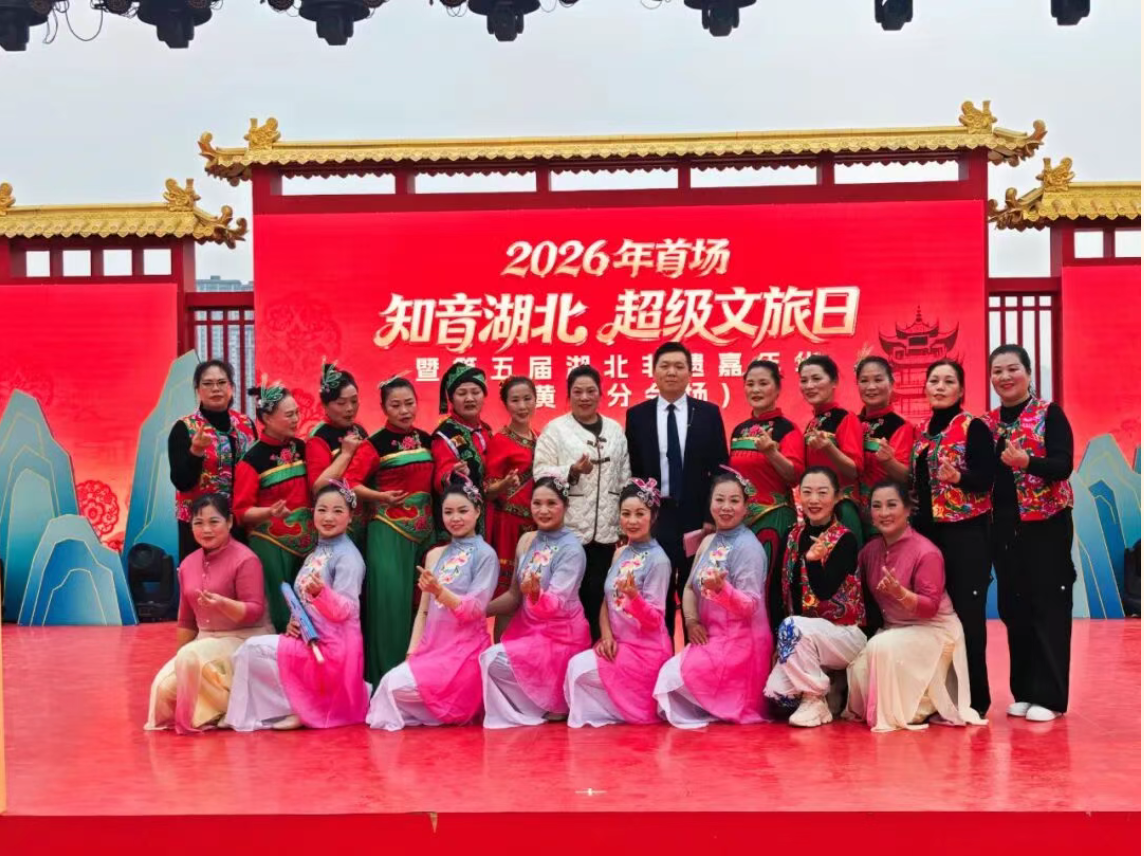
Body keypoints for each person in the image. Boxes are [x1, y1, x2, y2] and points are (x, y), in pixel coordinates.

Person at [226, 482, 368, 731]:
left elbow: (346, 610)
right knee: (249, 652)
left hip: (333, 648)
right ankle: (294, 707)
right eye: (322, 510)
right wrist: (298, 621)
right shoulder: (317, 553)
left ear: (350, 517)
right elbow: (307, 601)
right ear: (312, 513)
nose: (328, 517)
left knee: (251, 650)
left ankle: (301, 709)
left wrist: (321, 593)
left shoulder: (348, 557)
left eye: (337, 511)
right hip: (311, 638)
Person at [845, 481, 986, 732]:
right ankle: (908, 704)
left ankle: (920, 707)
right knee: (858, 669)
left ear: (908, 509)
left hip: (935, 631)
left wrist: (901, 594)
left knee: (880, 646)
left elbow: (930, 608)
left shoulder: (926, 552)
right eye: (877, 506)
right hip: (895, 631)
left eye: (892, 505)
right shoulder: (870, 551)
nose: (884, 513)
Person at [985, 344, 1076, 722]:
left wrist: (1027, 462)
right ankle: (1024, 691)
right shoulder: (987, 423)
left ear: (1028, 373)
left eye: (1013, 369)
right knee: (1014, 607)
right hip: (1004, 527)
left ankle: (1050, 697)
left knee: (1048, 606)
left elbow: (1063, 465)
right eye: (998, 371)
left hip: (1047, 524)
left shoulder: (1049, 413)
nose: (1005, 377)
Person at [366, 482, 499, 730]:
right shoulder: (435, 555)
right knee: (389, 686)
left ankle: (453, 707)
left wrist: (440, 591)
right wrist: (411, 655)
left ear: (478, 511)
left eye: (463, 511)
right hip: (431, 652)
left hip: (464, 656)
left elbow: (474, 610)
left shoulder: (486, 555)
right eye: (448, 512)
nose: (455, 518)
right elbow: (424, 612)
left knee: (391, 690)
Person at [626, 342, 729, 639]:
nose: (671, 372)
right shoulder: (638, 416)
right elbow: (634, 472)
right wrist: (637, 519)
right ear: (654, 372)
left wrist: (712, 515)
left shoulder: (707, 413)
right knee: (655, 591)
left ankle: (694, 659)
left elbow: (720, 469)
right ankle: (659, 654)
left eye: (679, 366)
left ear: (690, 373)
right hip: (656, 519)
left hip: (697, 518)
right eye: (665, 366)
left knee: (696, 590)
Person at [910, 358, 995, 717]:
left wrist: (959, 478)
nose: (940, 387)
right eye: (934, 381)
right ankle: (937, 698)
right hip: (928, 537)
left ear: (961, 390)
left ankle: (974, 701)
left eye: (948, 381)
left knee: (968, 616)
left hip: (967, 535)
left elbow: (987, 478)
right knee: (932, 616)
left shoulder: (973, 427)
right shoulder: (922, 433)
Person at [653, 471, 771, 728]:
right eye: (720, 500)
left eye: (734, 501)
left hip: (742, 644)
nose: (726, 507)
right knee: (666, 683)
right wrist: (691, 621)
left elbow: (750, 606)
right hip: (712, 639)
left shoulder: (749, 547)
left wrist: (722, 590)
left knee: (669, 681)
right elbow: (689, 587)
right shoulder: (708, 541)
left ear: (746, 507)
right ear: (710, 504)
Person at [145, 494, 271, 734]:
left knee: (191, 657)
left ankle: (235, 710)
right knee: (163, 690)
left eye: (214, 522)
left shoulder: (246, 559)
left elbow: (255, 612)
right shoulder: (188, 564)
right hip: (203, 642)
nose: (206, 530)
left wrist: (224, 605)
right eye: (198, 523)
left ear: (230, 522)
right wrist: (179, 658)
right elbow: (186, 620)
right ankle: (221, 710)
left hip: (244, 638)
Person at [764, 467, 876, 727]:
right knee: (778, 697)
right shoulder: (791, 535)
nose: (814, 500)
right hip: (802, 635)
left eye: (822, 493)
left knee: (793, 626)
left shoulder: (845, 539)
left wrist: (814, 561)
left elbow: (825, 591)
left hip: (845, 634)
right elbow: (776, 591)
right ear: (799, 496)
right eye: (807, 492)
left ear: (837, 497)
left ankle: (815, 699)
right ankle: (830, 685)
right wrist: (780, 642)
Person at [481, 477, 589, 728]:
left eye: (551, 503)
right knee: (489, 660)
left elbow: (555, 605)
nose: (543, 510)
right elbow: (513, 596)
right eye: (537, 503)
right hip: (530, 633)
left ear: (565, 506)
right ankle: (538, 704)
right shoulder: (528, 541)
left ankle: (546, 701)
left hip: (560, 638)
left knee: (492, 659)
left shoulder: (572, 550)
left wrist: (536, 593)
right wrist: (478, 610)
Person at [565, 479, 673, 727]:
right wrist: (606, 636)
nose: (632, 521)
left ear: (653, 517)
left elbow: (655, 620)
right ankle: (616, 707)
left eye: (640, 514)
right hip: (619, 645)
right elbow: (607, 601)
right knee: (575, 668)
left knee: (579, 670)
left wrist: (634, 598)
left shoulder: (659, 561)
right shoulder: (620, 552)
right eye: (626, 514)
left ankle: (629, 706)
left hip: (646, 651)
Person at [533, 366, 630, 641]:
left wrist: (623, 524)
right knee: (566, 596)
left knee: (600, 596)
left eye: (591, 391)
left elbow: (624, 477)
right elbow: (540, 472)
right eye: (577, 392)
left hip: (606, 532)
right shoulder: (555, 430)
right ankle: (566, 650)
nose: (584, 397)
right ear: (568, 395)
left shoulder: (615, 430)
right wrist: (572, 471)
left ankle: (595, 653)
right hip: (568, 531)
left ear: (601, 394)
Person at [356, 377, 435, 687]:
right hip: (388, 532)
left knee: (423, 607)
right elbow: (347, 483)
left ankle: (418, 680)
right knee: (389, 608)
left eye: (409, 403)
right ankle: (385, 682)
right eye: (396, 405)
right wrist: (379, 497)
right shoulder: (374, 444)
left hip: (425, 534)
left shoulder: (426, 439)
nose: (404, 411)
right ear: (383, 408)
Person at [232, 381, 315, 632]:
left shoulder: (300, 448)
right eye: (289, 414)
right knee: (283, 611)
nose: (296, 419)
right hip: (272, 544)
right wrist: (269, 512)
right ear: (267, 418)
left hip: (307, 541)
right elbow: (241, 512)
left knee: (313, 607)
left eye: (297, 413)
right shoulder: (251, 461)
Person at [728, 359, 804, 629]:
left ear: (778, 388)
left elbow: (794, 476)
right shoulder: (739, 430)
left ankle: (775, 642)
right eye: (750, 384)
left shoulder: (787, 429)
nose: (756, 390)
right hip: (740, 522)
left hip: (775, 519)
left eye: (763, 383)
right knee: (741, 586)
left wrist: (772, 452)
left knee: (771, 587)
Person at [168, 359, 258, 561]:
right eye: (207, 384)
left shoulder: (246, 424)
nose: (215, 389)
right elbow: (181, 481)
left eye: (221, 382)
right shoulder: (184, 428)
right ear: (198, 390)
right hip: (201, 524)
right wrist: (196, 451)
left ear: (232, 388)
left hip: (239, 521)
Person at [484, 376, 538, 639]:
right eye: (515, 400)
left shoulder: (541, 438)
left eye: (527, 399)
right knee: (508, 595)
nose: (522, 406)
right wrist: (504, 484)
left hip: (536, 525)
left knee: (532, 594)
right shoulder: (500, 440)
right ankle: (500, 652)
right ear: (505, 404)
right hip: (509, 525)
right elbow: (488, 489)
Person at [798, 355, 865, 546]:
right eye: (804, 380)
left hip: (841, 508)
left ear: (834, 382)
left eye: (816, 379)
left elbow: (854, 470)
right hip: (816, 510)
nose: (809, 385)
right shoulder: (812, 423)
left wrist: (829, 448)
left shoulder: (846, 418)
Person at [304, 361, 372, 545]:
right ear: (325, 405)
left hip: (362, 519)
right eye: (341, 403)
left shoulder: (359, 430)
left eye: (354, 401)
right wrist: (345, 454)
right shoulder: (318, 438)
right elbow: (318, 487)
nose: (350, 408)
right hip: (336, 525)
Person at [431, 362, 493, 542]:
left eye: (476, 392)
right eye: (462, 393)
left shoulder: (486, 430)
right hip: (461, 521)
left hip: (489, 516)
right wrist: (454, 474)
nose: (470, 398)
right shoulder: (444, 435)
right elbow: (441, 475)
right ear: (451, 398)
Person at [855, 356, 915, 536]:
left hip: (883, 516)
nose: (871, 387)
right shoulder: (852, 422)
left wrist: (888, 461)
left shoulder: (901, 426)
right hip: (852, 512)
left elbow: (907, 477)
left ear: (891, 383)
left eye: (878, 379)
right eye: (864, 381)